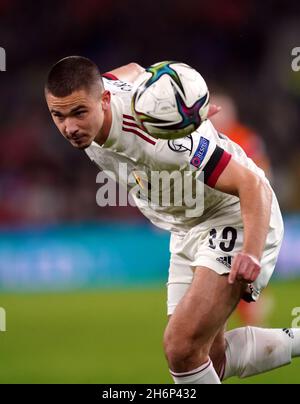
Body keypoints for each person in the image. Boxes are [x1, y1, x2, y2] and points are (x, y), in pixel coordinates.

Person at [45, 56, 300, 384]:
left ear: (104, 101)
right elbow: (135, 70)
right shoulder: (97, 93)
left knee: (180, 346)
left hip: (231, 214)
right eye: (58, 115)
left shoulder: (167, 141)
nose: (70, 127)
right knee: (206, 359)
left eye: (79, 113)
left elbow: (251, 185)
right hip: (185, 226)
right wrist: (187, 107)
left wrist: (250, 251)